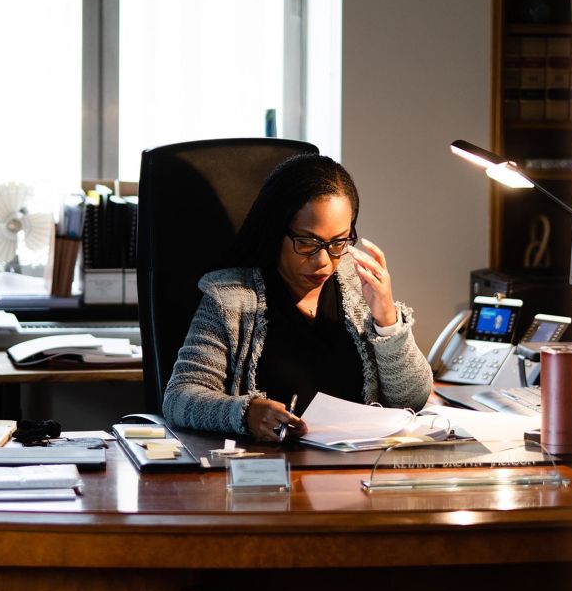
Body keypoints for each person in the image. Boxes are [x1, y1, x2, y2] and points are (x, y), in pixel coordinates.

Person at [162, 153, 434, 440]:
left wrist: (387, 321)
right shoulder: (230, 297)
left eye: (338, 242)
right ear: (276, 230)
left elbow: (411, 400)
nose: (323, 261)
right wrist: (246, 413)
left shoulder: (359, 285)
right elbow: (179, 398)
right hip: (269, 473)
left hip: (355, 470)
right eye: (307, 243)